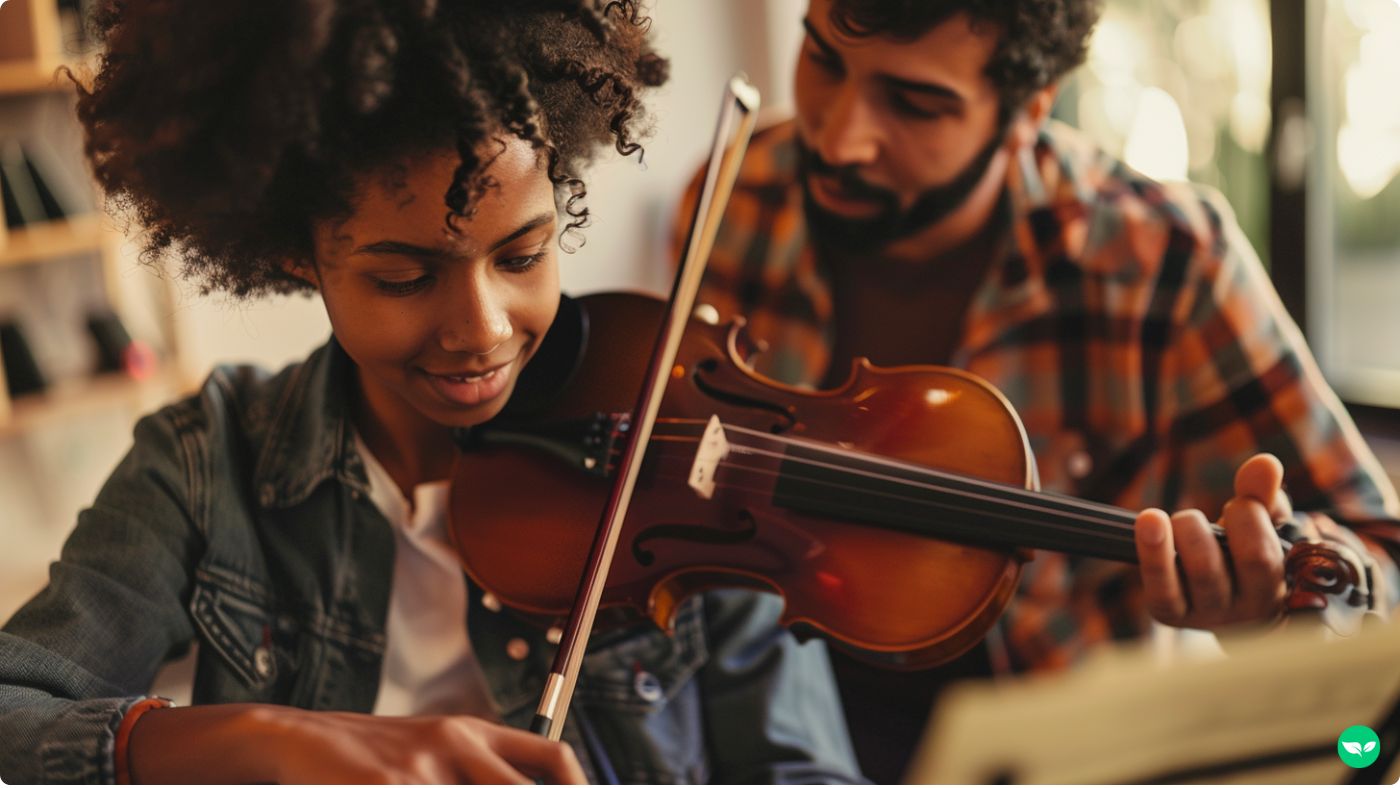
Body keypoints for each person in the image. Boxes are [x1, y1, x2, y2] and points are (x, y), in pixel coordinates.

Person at [0, 1, 862, 783]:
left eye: (521, 257)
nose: (482, 329)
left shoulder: (674, 451)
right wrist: (267, 741)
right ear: (298, 253)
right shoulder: (202, 466)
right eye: (406, 278)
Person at [674, 0, 1400, 780]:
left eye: (915, 103)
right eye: (823, 61)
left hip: (1048, 753)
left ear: (1027, 113)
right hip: (764, 725)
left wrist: (1284, 602)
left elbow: (1383, 563)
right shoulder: (735, 193)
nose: (840, 138)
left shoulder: (1168, 261)